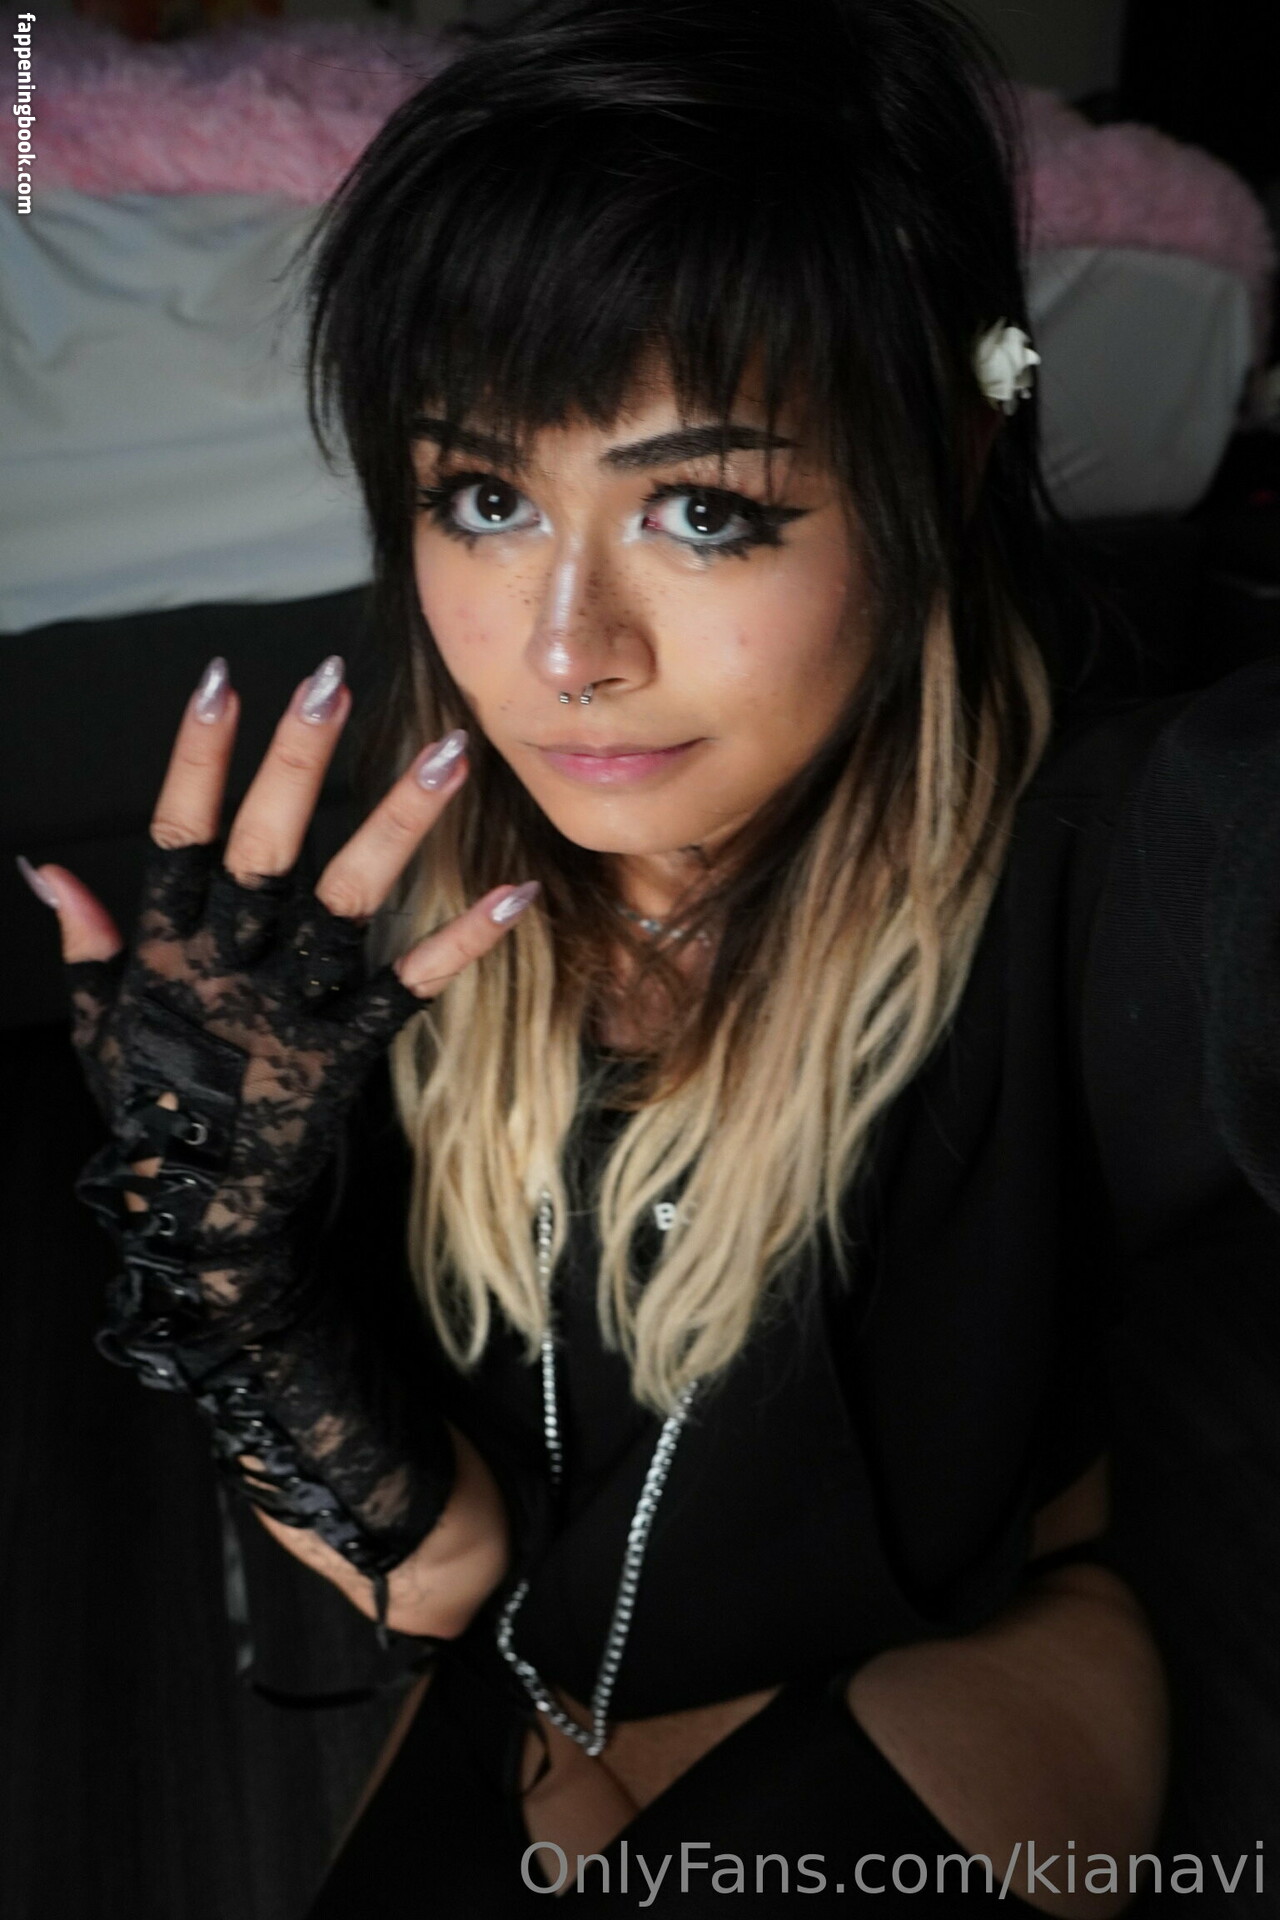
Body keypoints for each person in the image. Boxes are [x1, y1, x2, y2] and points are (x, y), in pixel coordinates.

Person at [30, 0, 1280, 1909]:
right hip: (535, 1682)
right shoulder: (381, 931)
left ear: (943, 461)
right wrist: (226, 1259)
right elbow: (434, 1576)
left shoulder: (1133, 853)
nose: (566, 651)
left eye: (705, 512)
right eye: (487, 499)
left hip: (968, 1667)